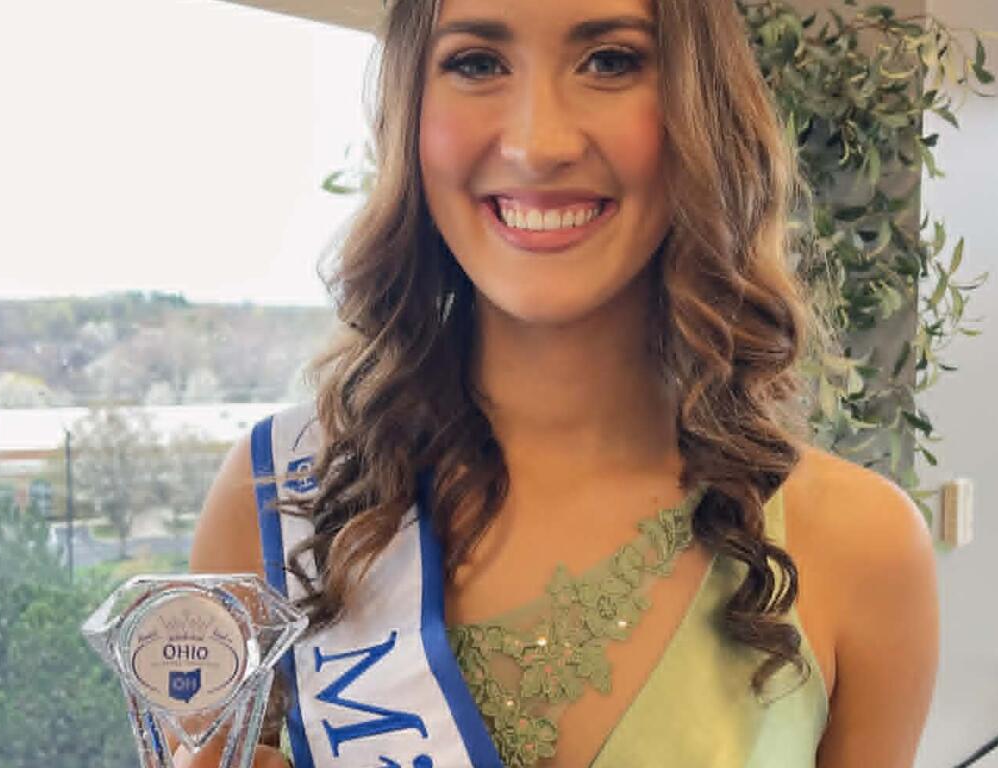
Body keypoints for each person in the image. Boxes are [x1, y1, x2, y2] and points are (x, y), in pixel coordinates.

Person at [185, 0, 938, 765]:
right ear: (410, 113)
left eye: (610, 60)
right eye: (476, 62)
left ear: (701, 108)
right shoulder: (282, 497)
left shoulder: (861, 548)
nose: (537, 144)